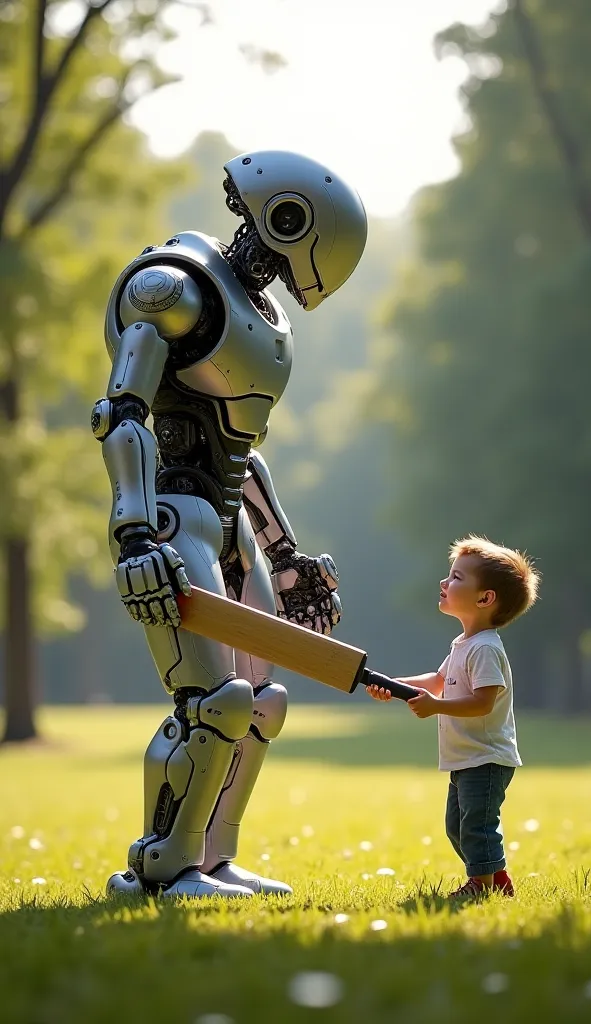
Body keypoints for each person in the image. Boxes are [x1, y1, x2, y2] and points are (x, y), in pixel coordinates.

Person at [93, 151, 367, 899]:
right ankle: (162, 865)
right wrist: (136, 534)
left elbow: (241, 457)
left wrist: (285, 556)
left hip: (227, 522)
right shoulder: (174, 289)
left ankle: (213, 858)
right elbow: (123, 414)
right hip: (173, 512)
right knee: (212, 703)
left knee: (259, 705)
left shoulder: (260, 320)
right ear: (286, 218)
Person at [367, 535, 540, 902]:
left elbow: (482, 702)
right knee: (457, 828)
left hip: (487, 757)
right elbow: (437, 681)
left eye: (457, 577)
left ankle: (482, 886)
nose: (445, 583)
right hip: (466, 756)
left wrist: (436, 706)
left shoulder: (486, 649)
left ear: (485, 598)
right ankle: (496, 878)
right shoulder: (463, 644)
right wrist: (391, 685)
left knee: (477, 826)